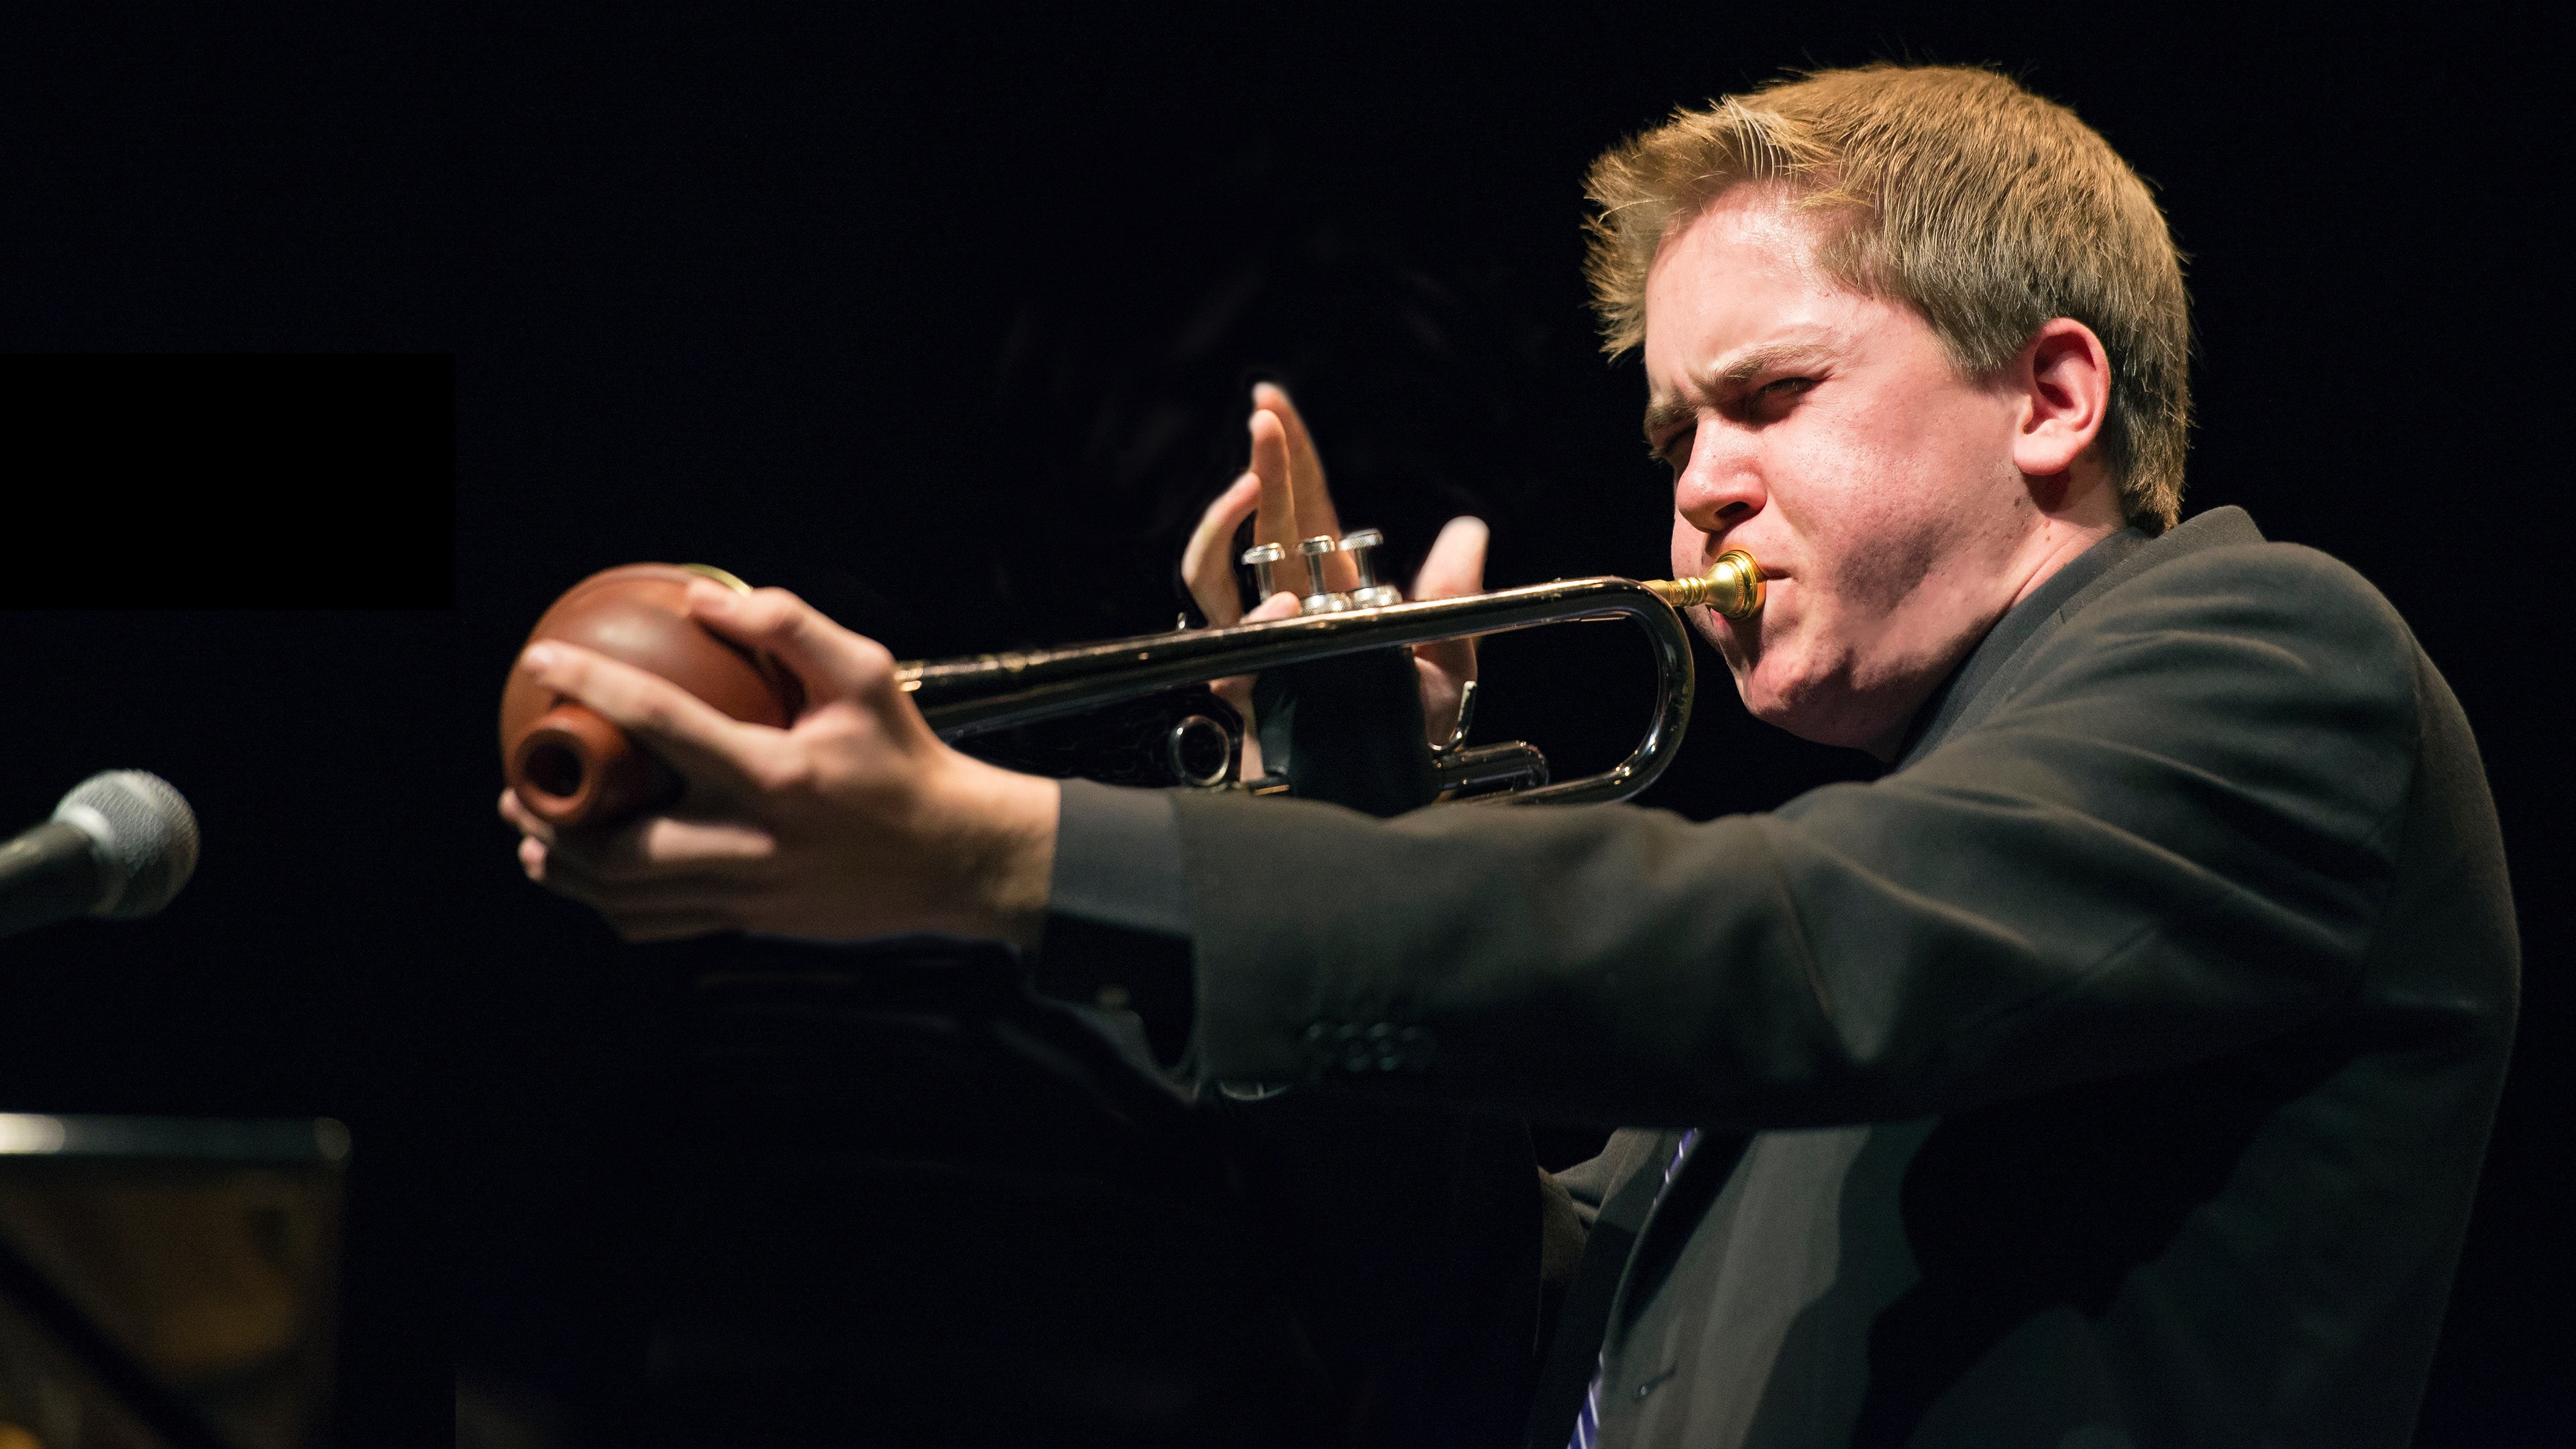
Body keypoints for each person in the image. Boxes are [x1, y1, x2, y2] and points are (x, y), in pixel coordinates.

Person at [499, 64, 2518, 1447]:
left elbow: (1786, 949)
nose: (1703, 491)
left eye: (1775, 398)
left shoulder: (2270, 657)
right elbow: (1496, 1343)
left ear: (2053, 397)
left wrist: (1004, 847)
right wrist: (1338, 803)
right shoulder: (1903, 842)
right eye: (1670, 439)